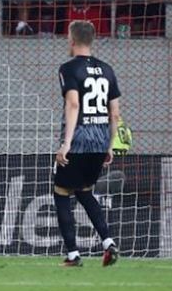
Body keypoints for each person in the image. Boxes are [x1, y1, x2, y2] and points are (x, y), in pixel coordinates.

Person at [53, 20, 121, 267]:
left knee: (61, 193)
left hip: (79, 140)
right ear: (91, 40)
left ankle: (73, 255)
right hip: (100, 141)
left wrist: (66, 143)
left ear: (72, 40)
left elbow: (73, 104)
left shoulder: (68, 68)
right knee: (84, 191)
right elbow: (115, 113)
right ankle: (108, 242)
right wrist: (110, 145)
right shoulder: (107, 69)